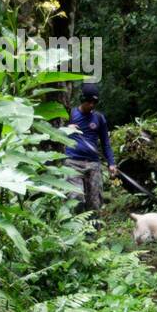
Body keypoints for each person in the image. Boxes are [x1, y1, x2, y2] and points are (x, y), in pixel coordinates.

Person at [65, 83, 118, 215]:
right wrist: (66, 129)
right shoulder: (70, 114)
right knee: (76, 198)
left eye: (94, 102)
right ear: (82, 99)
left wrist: (111, 163)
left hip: (93, 164)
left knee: (95, 202)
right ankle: (76, 231)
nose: (92, 105)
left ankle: (93, 233)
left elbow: (106, 142)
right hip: (72, 163)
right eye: (89, 101)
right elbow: (54, 134)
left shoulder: (99, 118)